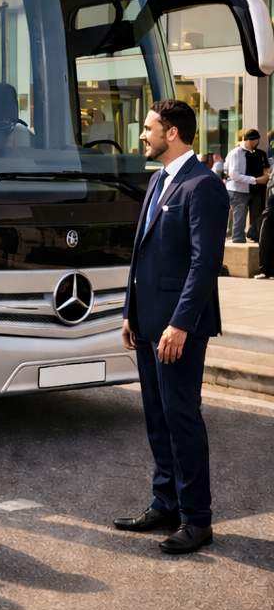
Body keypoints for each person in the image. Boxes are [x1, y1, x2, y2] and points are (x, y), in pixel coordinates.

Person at [115, 100, 228, 555]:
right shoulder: (158, 180)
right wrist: (129, 311)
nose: (143, 135)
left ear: (174, 133)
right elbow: (141, 252)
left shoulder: (203, 186)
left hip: (178, 328)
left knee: (182, 418)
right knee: (157, 417)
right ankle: (165, 503)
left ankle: (197, 520)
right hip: (147, 323)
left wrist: (180, 324)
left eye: (149, 128)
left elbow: (204, 264)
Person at [225, 129, 269, 243]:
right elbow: (233, 174)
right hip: (237, 190)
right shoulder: (237, 153)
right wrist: (255, 180)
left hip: (245, 189)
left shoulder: (252, 153)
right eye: (257, 140)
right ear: (252, 141)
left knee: (245, 217)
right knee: (239, 218)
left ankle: (243, 238)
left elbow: (227, 168)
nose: (257, 143)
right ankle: (238, 242)